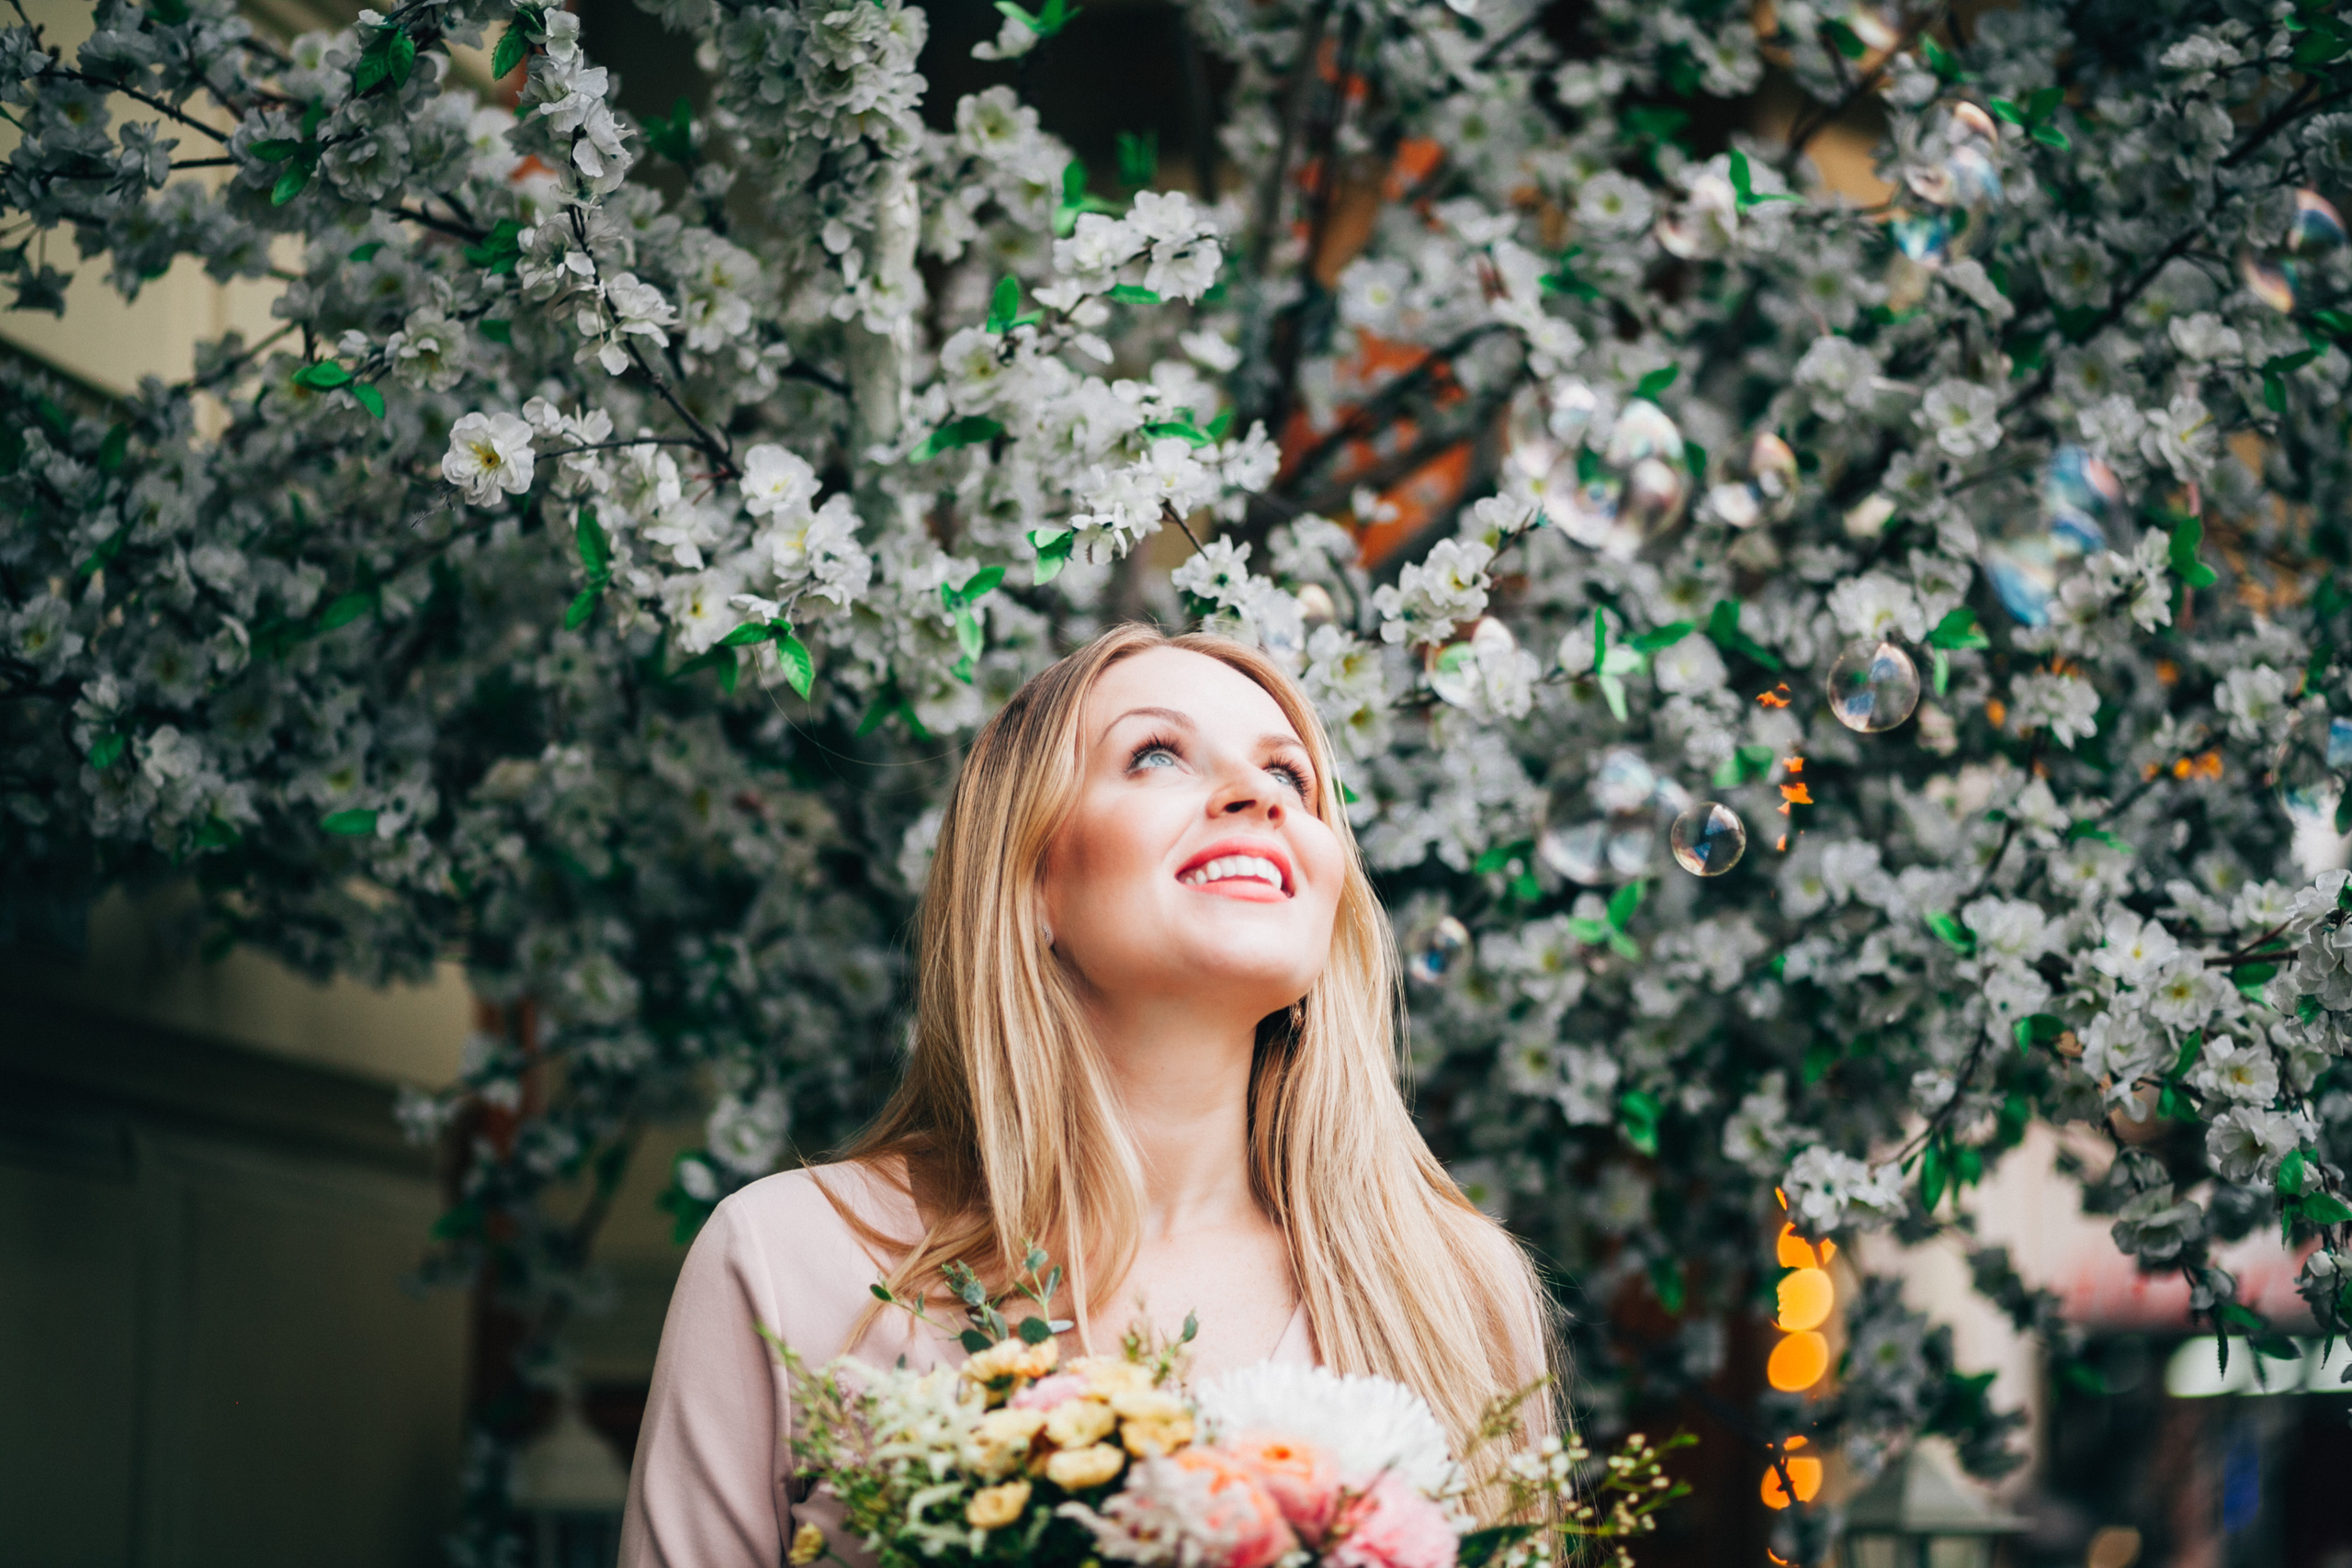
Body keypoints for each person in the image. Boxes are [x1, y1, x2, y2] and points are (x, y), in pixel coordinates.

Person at [619, 625, 1555, 1568]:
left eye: (1290, 775)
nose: (1258, 795)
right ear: (1033, 883)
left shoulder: (1455, 1288)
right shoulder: (788, 1258)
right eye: (1156, 754)